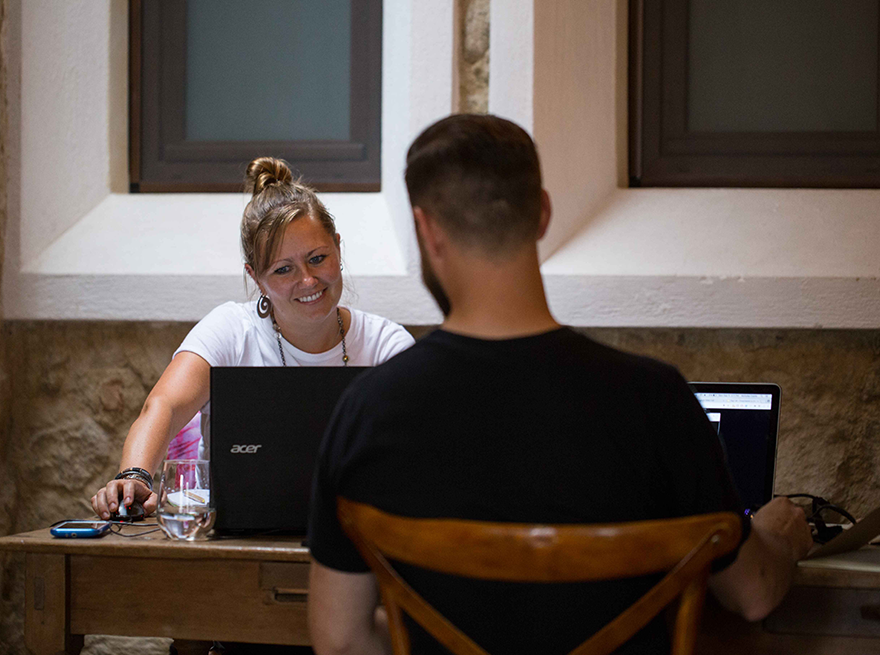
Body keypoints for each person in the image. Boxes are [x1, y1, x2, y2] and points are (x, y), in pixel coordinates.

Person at [306, 115, 813, 655]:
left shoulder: (367, 410)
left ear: (426, 229)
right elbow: (753, 595)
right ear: (542, 213)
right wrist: (779, 536)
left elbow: (339, 641)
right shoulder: (656, 399)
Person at [89, 157, 415, 655]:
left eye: (317, 258)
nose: (307, 280)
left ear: (339, 250)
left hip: (355, 562)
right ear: (256, 277)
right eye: (283, 269)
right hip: (240, 560)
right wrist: (135, 473)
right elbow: (164, 406)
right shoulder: (232, 328)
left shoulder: (385, 343)